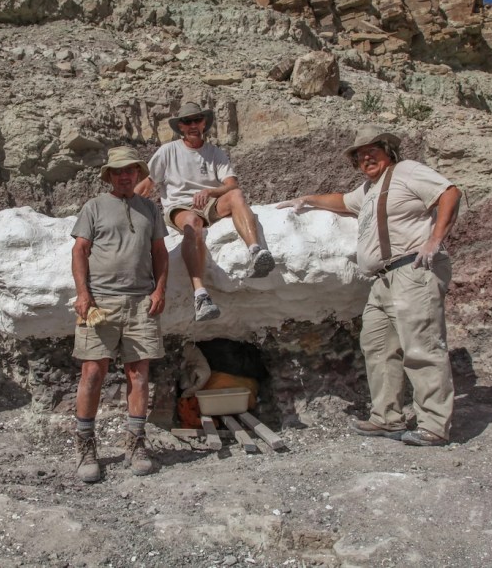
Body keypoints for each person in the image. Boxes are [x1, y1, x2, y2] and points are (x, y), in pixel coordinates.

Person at [277, 126, 462, 447]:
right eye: (360, 157)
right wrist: (307, 199)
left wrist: (435, 239)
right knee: (377, 345)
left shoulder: (407, 171)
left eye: (371, 152)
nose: (365, 159)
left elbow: (449, 192)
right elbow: (343, 201)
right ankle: (387, 418)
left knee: (422, 346)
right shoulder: (369, 189)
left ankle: (433, 424)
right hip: (383, 279)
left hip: (412, 270)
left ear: (388, 151)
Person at [71, 146, 169, 482]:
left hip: (141, 301)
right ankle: (86, 447)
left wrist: (159, 290)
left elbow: (160, 252)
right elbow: (80, 250)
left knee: (138, 375)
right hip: (100, 303)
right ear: (109, 176)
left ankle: (136, 444)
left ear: (138, 174)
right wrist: (84, 294)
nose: (124, 175)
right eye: (118, 171)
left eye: (130, 170)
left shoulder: (150, 209)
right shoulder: (94, 207)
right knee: (92, 373)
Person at [136, 102, 274, 322]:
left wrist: (211, 192)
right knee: (192, 222)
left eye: (196, 120)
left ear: (204, 123)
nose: (192, 125)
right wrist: (126, 207)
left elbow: (231, 184)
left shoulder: (214, 153)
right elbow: (147, 183)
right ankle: (200, 295)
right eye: (187, 121)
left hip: (210, 203)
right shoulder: (168, 151)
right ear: (180, 126)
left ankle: (256, 251)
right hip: (180, 206)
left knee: (236, 195)